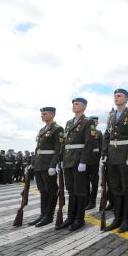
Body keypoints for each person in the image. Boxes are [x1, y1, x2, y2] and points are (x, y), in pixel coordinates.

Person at [101, 89, 128, 233]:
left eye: (119, 96)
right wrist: (104, 153)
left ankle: (125, 220)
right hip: (112, 156)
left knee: (127, 189)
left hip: (125, 156)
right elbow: (107, 135)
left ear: (126, 98)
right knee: (115, 189)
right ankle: (117, 219)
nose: (116, 98)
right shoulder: (111, 115)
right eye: (115, 96)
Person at [56, 97, 96, 231]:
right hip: (67, 160)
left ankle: (80, 219)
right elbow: (64, 142)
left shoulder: (88, 121)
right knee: (71, 190)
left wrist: (83, 161)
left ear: (84, 107)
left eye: (77, 104)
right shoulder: (68, 123)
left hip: (79, 160)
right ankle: (70, 217)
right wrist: (60, 159)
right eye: (73, 103)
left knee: (80, 191)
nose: (74, 105)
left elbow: (89, 142)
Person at [28, 107, 64, 227]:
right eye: (41, 114)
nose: (42, 116)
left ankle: (49, 216)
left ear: (52, 115)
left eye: (44, 114)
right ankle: (42, 214)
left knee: (51, 190)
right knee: (43, 191)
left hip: (48, 164)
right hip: (39, 164)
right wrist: (32, 163)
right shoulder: (42, 129)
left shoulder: (57, 129)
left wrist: (53, 165)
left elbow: (58, 149)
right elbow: (37, 148)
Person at [85, 116, 103, 210]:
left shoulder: (99, 133)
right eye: (94, 121)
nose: (96, 123)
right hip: (85, 160)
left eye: (96, 121)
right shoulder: (85, 132)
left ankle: (92, 201)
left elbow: (101, 146)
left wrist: (101, 158)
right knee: (85, 182)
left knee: (94, 182)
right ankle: (87, 200)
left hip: (95, 160)